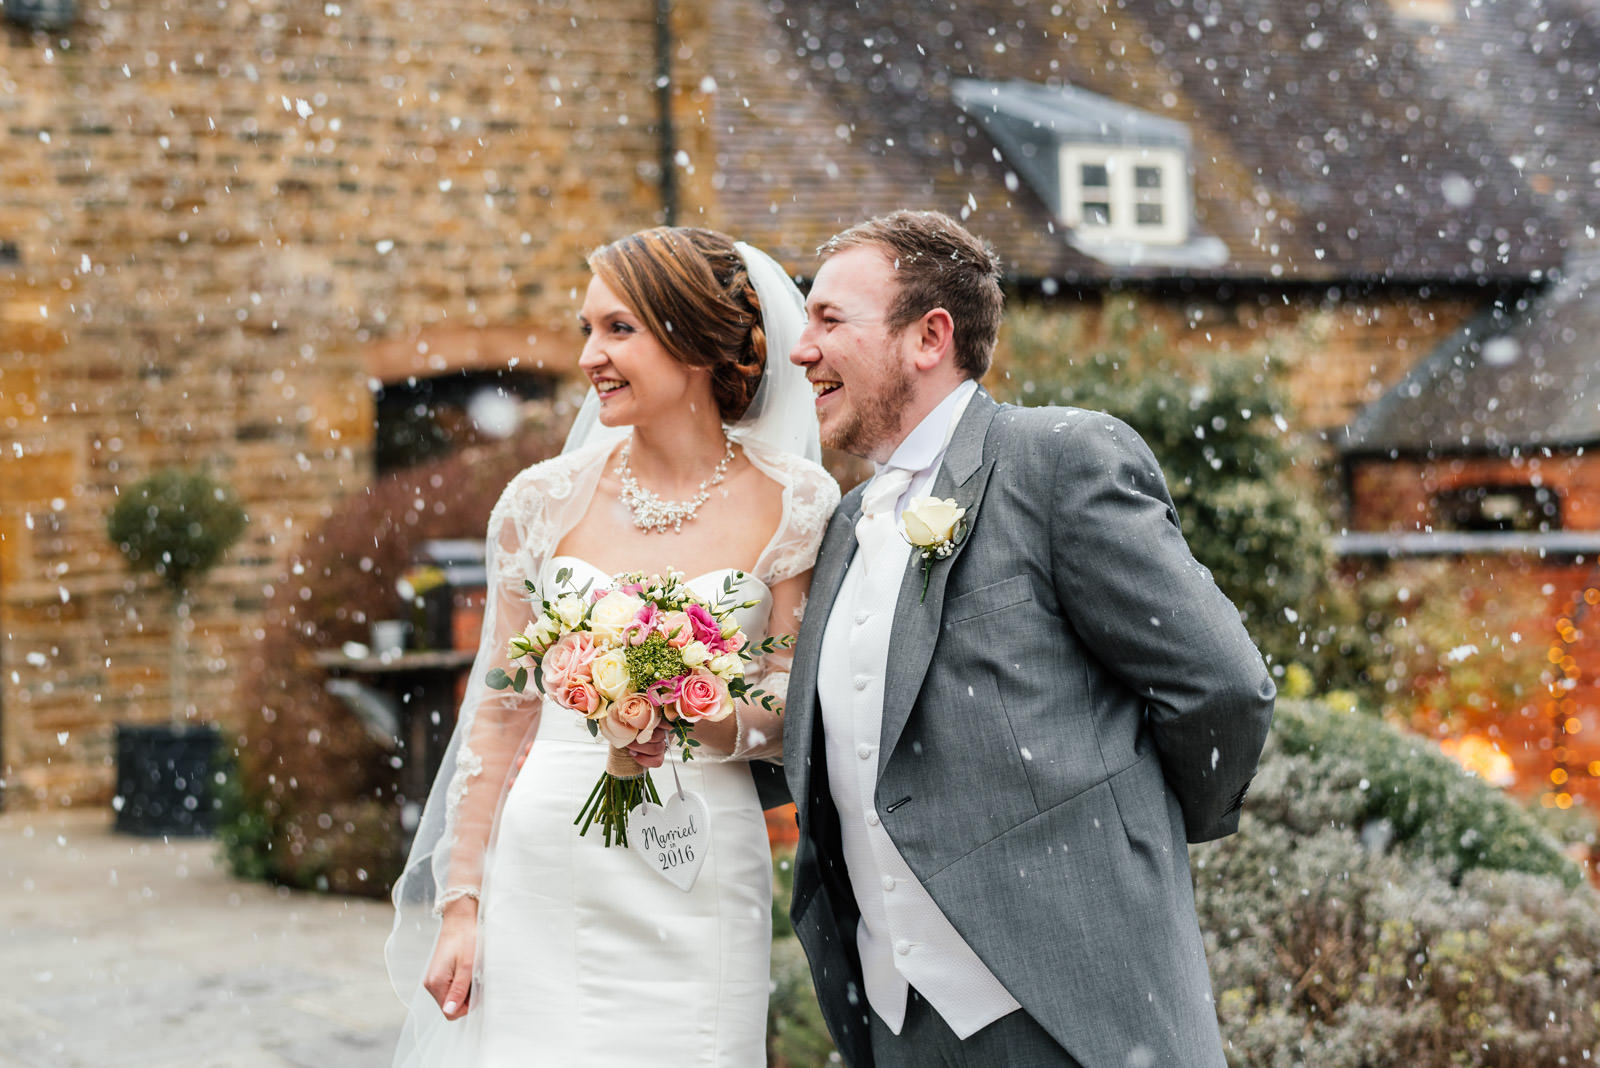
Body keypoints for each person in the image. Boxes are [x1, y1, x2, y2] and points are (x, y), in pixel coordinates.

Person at [781, 209, 1276, 1068]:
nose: (800, 349)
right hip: (899, 1021)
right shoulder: (846, 524)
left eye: (829, 321)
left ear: (928, 336)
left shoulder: (1057, 461)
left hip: (1069, 1008)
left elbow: (1222, 687)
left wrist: (1127, 840)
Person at [386, 226, 839, 1066]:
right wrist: (461, 906)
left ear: (698, 340)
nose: (591, 356)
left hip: (702, 859)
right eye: (587, 329)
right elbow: (497, 717)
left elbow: (791, 702)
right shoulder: (540, 503)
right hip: (549, 855)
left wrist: (696, 710)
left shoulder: (796, 501)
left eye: (619, 329)